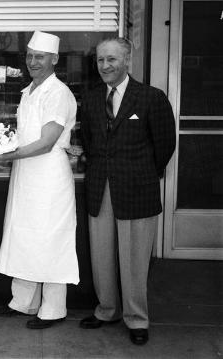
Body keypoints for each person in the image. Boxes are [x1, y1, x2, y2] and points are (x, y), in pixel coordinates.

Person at [79, 37, 176, 345]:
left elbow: (165, 146)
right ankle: (107, 310)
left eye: (111, 60)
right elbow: (91, 141)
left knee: (134, 259)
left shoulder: (151, 97)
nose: (104, 66)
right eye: (100, 60)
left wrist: (144, 172)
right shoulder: (92, 98)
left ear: (127, 61)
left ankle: (137, 319)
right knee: (101, 256)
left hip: (137, 189)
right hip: (100, 188)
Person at [0, 31, 79, 329]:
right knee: (24, 235)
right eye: (29, 56)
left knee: (49, 239)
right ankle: (24, 302)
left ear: (54, 59)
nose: (33, 62)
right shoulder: (29, 91)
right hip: (26, 175)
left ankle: (52, 309)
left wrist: (8, 157)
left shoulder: (58, 92)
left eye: (39, 57)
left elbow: (48, 141)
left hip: (49, 176)